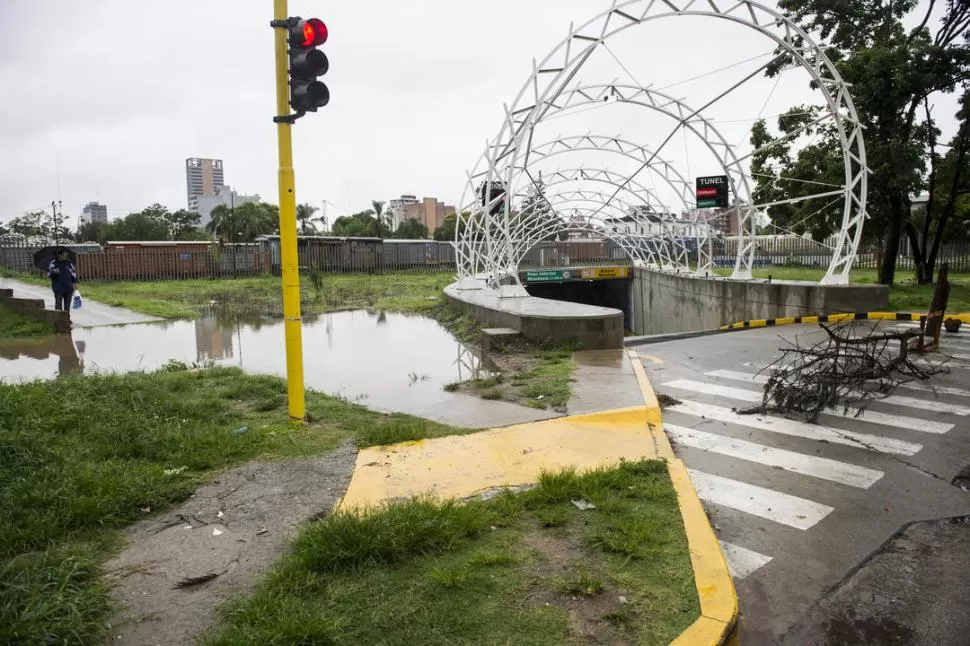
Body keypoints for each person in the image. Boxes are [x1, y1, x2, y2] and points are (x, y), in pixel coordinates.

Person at [48, 250, 78, 318]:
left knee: (67, 305)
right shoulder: (53, 263)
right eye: (64, 255)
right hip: (58, 288)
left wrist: (75, 282)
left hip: (68, 287)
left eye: (66, 255)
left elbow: (73, 273)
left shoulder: (69, 263)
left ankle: (66, 319)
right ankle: (58, 319)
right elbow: (50, 275)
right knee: (58, 305)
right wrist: (55, 271)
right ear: (59, 255)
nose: (66, 256)